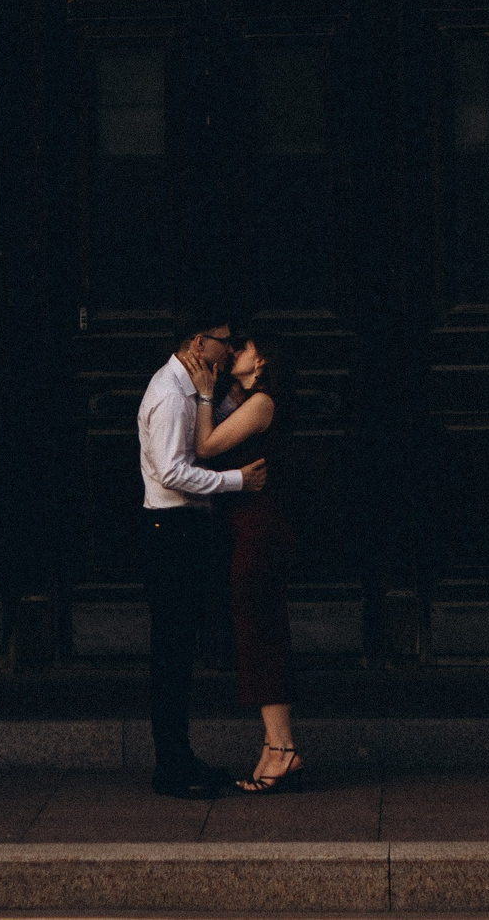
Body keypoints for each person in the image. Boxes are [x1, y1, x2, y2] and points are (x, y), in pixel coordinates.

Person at [137, 310, 268, 799]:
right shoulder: (171, 394)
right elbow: (172, 471)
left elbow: (205, 436)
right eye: (223, 341)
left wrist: (228, 397)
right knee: (171, 652)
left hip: (182, 530)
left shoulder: (192, 388)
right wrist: (237, 481)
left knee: (180, 649)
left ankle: (180, 757)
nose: (230, 349)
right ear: (198, 343)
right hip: (170, 530)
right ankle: (170, 767)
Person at [192, 333, 303, 793]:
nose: (236, 351)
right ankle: (276, 747)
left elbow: (205, 447)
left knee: (261, 633)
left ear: (262, 363)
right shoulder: (240, 399)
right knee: (258, 631)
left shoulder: (261, 404)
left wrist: (203, 395)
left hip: (260, 532)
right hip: (247, 529)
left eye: (246, 349)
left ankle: (283, 748)